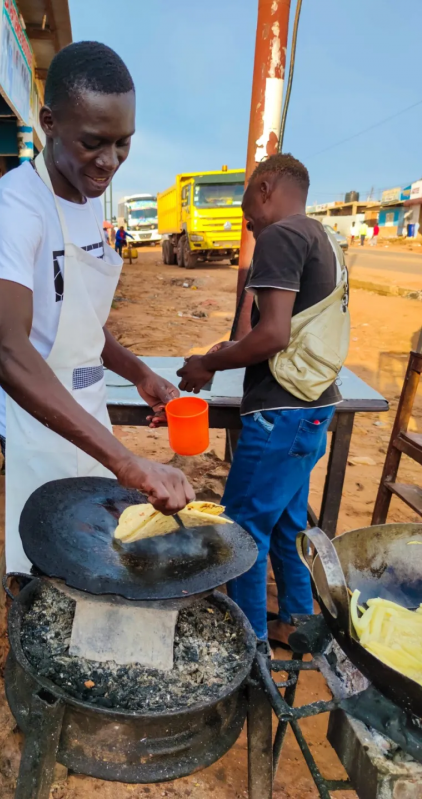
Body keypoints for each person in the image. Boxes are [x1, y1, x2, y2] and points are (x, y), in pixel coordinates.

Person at [0, 41, 194, 589]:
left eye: (124, 144)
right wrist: (127, 462)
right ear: (49, 123)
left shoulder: (88, 194)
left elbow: (81, 318)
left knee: (95, 563)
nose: (110, 161)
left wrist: (138, 372)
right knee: (44, 577)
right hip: (36, 426)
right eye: (94, 143)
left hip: (90, 415)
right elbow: (6, 347)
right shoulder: (15, 207)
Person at [177, 153, 344, 646]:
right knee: (289, 521)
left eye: (247, 200)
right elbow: (282, 327)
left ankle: (247, 645)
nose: (245, 218)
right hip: (313, 409)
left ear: (266, 187)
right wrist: (229, 349)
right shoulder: (323, 237)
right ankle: (296, 618)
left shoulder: (280, 236)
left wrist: (208, 364)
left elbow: (270, 335)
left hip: (281, 413)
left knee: (243, 528)